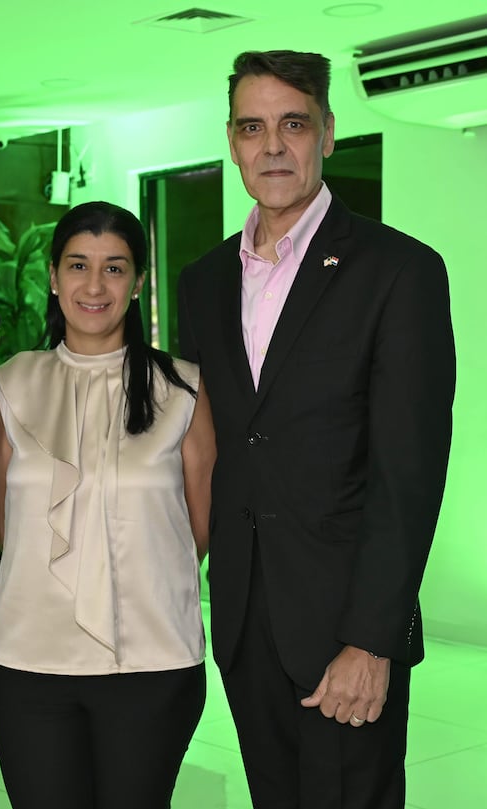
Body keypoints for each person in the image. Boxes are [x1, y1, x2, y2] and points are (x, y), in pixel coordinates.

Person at [178, 50, 455, 809]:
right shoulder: (203, 281)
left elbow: (410, 472)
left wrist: (374, 638)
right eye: (252, 126)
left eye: (292, 123)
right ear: (232, 141)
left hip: (343, 627)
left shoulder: (400, 271)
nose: (272, 145)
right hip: (242, 619)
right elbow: (213, 445)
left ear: (328, 133)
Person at [0, 201, 216, 809]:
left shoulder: (183, 387)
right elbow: (1, 516)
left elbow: (197, 523)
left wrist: (131, 565)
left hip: (152, 658)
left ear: (138, 283)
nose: (94, 285)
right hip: (27, 659)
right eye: (78, 265)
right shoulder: (12, 382)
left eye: (114, 269)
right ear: (54, 277)